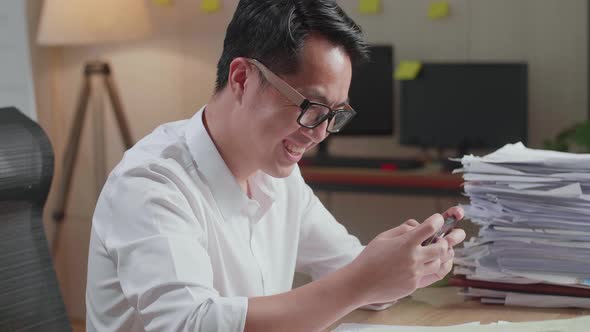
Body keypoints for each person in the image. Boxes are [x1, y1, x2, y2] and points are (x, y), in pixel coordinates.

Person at [85, 0, 466, 331]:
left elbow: (348, 270)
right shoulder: (149, 184)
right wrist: (363, 280)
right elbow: (191, 324)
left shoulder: (279, 177)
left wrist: (405, 263)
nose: (320, 134)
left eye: (335, 114)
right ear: (241, 79)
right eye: (311, 108)